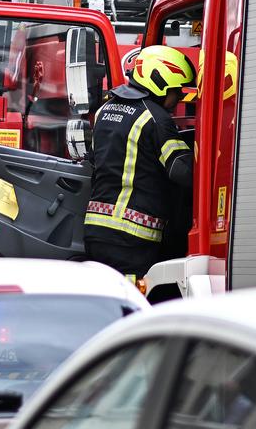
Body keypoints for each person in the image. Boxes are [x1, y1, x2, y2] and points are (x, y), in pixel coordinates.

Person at [84, 44, 196, 284]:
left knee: (107, 294)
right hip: (133, 236)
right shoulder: (156, 119)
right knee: (131, 301)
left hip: (95, 230)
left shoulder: (104, 110)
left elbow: (96, 160)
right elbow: (183, 171)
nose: (178, 99)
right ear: (159, 82)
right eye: (177, 91)